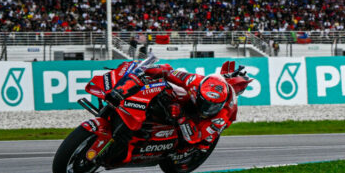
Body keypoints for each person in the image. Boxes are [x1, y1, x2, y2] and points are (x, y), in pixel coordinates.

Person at [104, 59, 250, 151]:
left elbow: (195, 137)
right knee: (161, 86)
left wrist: (181, 117)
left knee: (201, 144)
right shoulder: (193, 80)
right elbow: (168, 71)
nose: (206, 108)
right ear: (198, 92)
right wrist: (147, 69)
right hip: (190, 101)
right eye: (205, 103)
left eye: (211, 106)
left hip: (200, 128)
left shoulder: (222, 115)